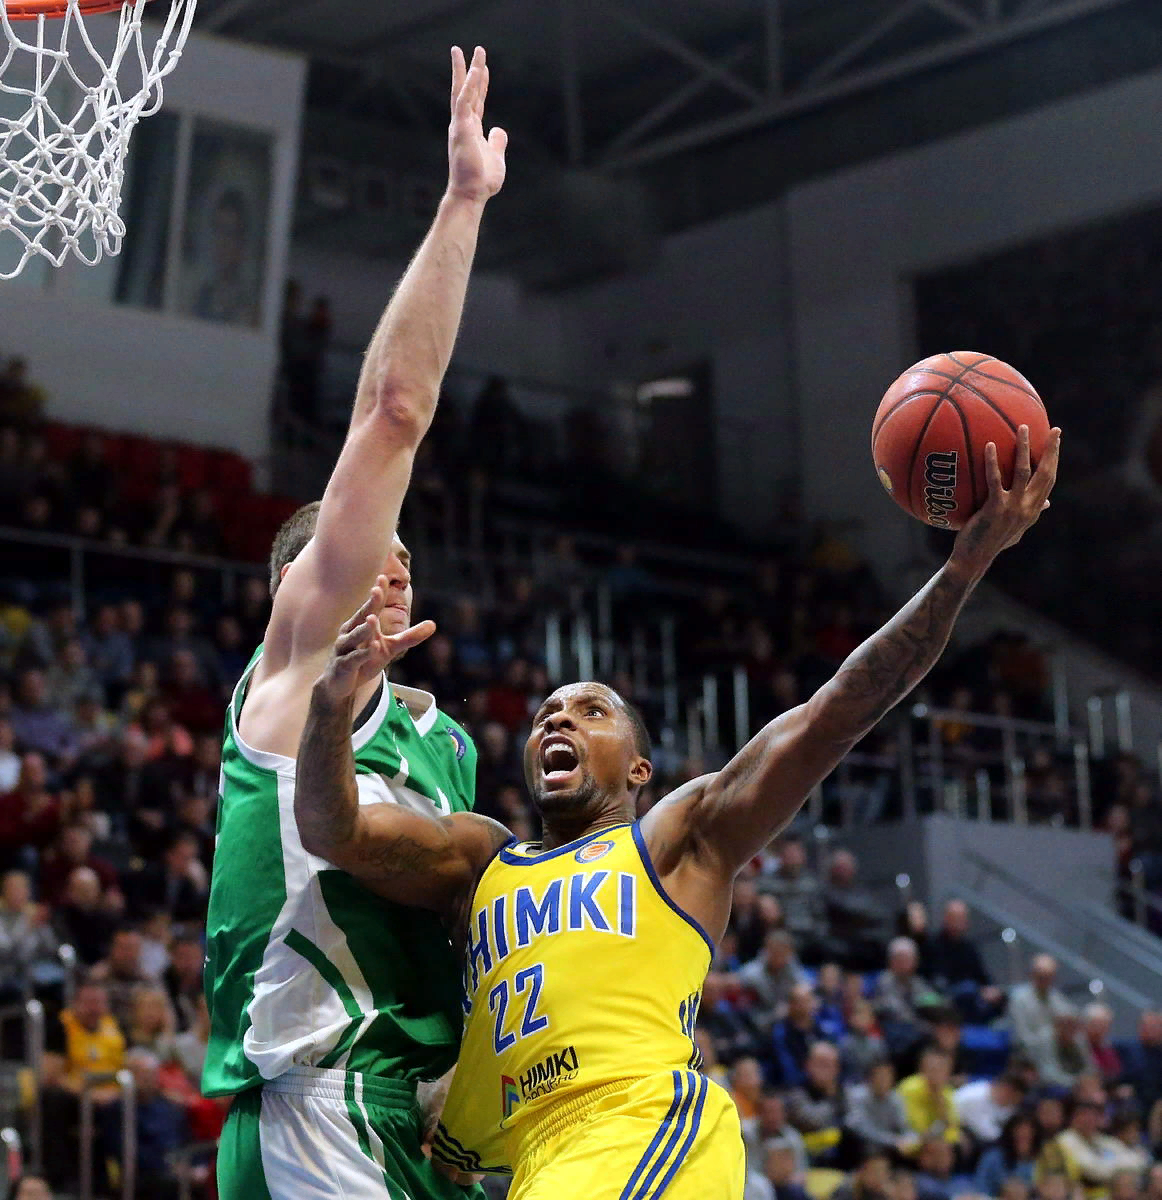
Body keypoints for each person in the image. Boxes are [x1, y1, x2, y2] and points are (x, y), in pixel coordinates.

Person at [293, 425, 1059, 1196]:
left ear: (639, 768)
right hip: (540, 1165)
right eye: (545, 715)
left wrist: (962, 569)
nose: (557, 719)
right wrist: (329, 702)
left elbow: (835, 713)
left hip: (643, 1128)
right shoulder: (480, 862)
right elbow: (332, 830)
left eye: (591, 711)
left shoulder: (677, 839)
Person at [202, 45, 507, 1200]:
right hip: (318, 1105)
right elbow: (392, 411)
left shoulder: (442, 742)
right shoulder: (291, 676)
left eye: (406, 560)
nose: (393, 568)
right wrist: (463, 201)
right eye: (367, 553)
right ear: (299, 589)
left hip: (416, 1109)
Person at [1010, 954, 1071, 1050]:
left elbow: (1069, 1017)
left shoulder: (1055, 996)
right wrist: (1053, 1033)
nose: (1046, 981)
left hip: (1056, 1050)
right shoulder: (1019, 998)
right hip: (1027, 1053)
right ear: (1032, 975)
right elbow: (1022, 1039)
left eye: (1049, 977)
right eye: (1041, 977)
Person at [974, 1111, 1041, 1196]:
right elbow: (980, 1188)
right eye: (1019, 1132)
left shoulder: (1043, 1158)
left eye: (1028, 1135)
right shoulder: (993, 1157)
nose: (1023, 1134)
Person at [955, 1071, 1027, 1148]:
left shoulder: (1000, 1100)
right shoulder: (974, 1098)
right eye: (1013, 1099)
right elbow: (988, 1134)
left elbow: (1008, 1116)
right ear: (1007, 1090)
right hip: (957, 1129)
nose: (1013, 1104)